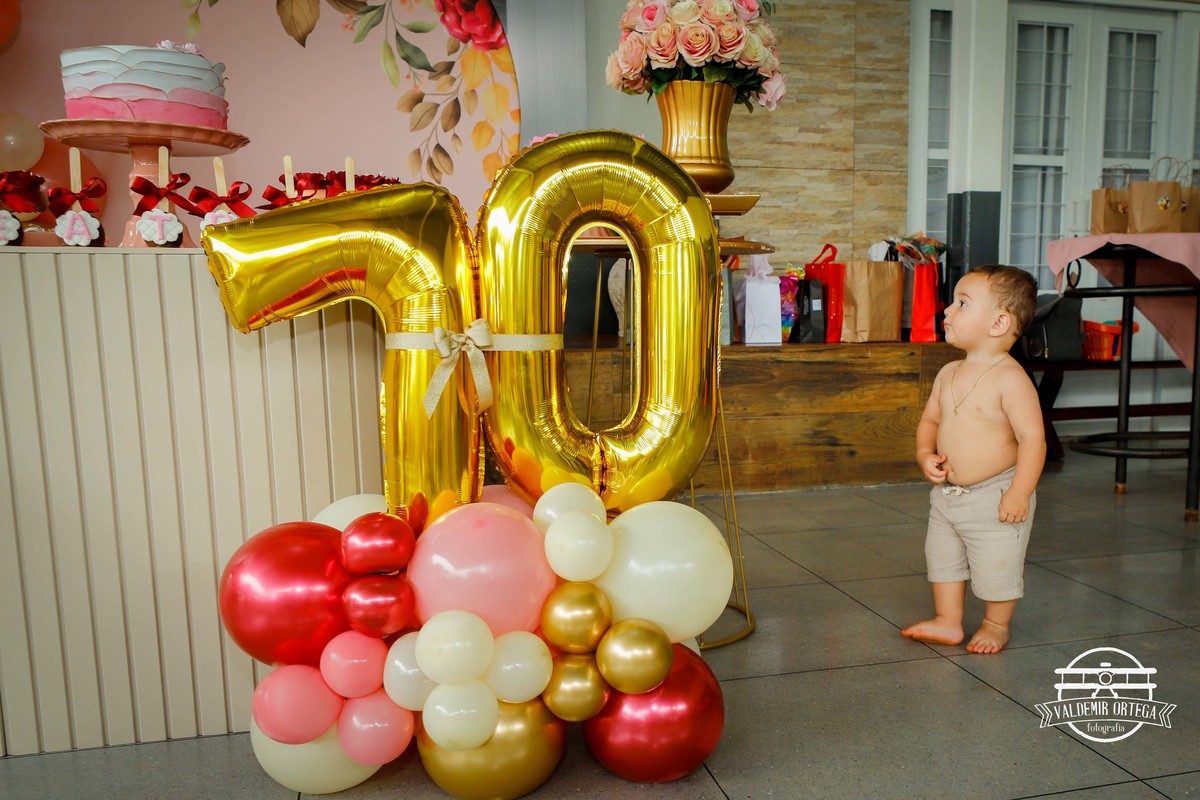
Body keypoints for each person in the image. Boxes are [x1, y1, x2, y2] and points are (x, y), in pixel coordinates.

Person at [902, 265, 1046, 654]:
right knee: (942, 559)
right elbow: (930, 421)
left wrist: (1020, 491)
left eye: (962, 303)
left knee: (998, 563)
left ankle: (995, 624)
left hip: (996, 494)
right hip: (949, 494)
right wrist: (924, 454)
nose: (948, 310)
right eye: (953, 302)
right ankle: (948, 621)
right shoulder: (948, 372)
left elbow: (1032, 439)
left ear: (999, 323)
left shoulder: (1011, 379)